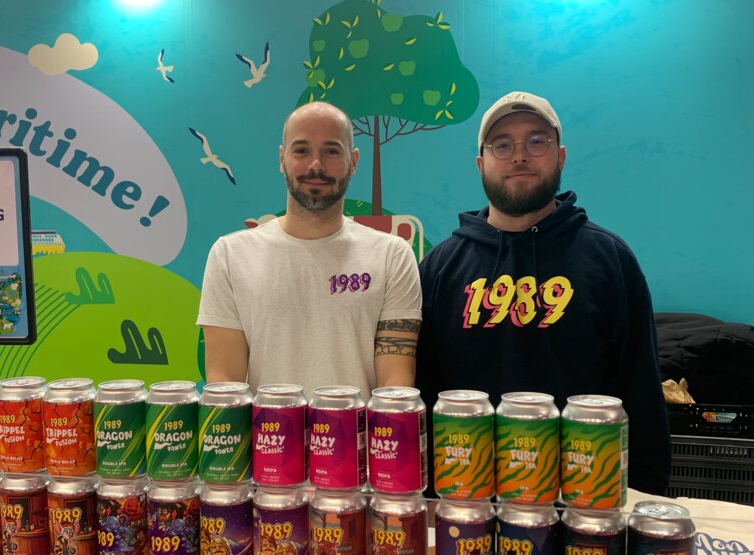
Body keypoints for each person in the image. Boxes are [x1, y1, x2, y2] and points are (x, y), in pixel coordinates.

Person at [416, 91, 670, 495]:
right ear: (481, 164)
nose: (520, 155)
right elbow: (424, 393)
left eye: (537, 141)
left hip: (586, 506)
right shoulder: (440, 266)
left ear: (561, 156)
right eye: (503, 144)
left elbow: (640, 393)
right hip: (464, 505)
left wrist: (644, 498)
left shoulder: (610, 259)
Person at [197, 101, 422, 398]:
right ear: (282, 159)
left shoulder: (392, 256)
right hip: (267, 442)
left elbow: (395, 386)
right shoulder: (229, 255)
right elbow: (225, 384)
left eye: (331, 151)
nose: (316, 165)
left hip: (359, 444)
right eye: (301, 150)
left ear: (353, 161)